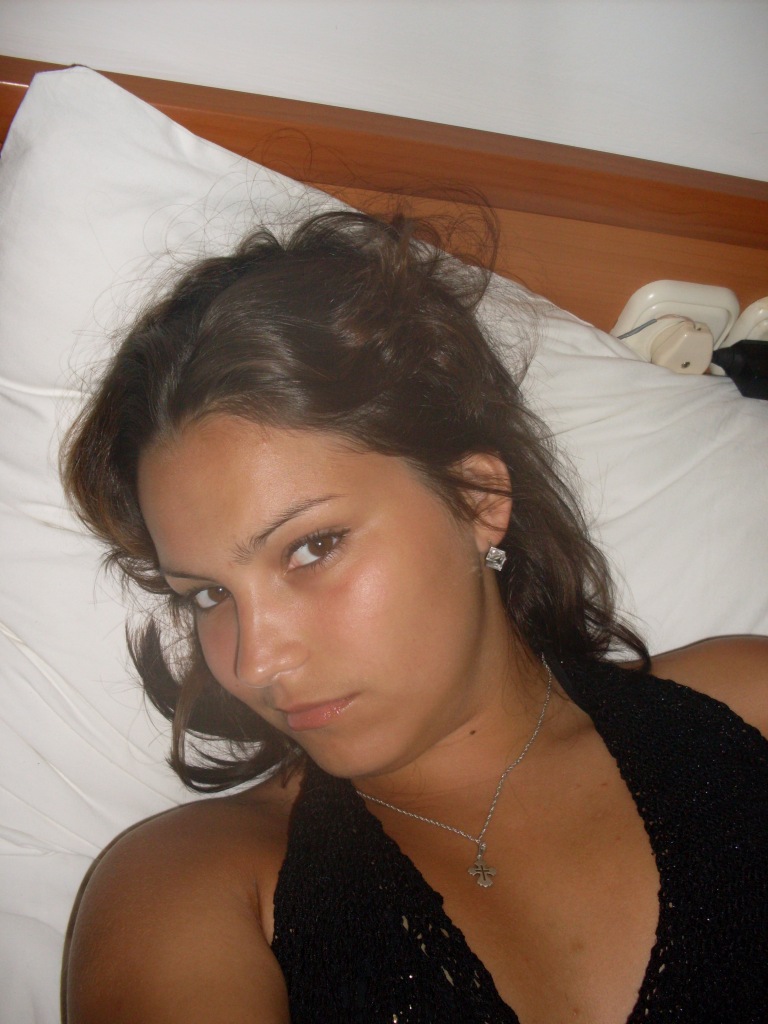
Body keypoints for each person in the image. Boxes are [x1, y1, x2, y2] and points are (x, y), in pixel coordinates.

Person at [61, 209, 768, 1024]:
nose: (255, 664)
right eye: (209, 595)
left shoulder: (747, 709)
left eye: (311, 547)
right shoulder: (189, 887)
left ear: (477, 499)